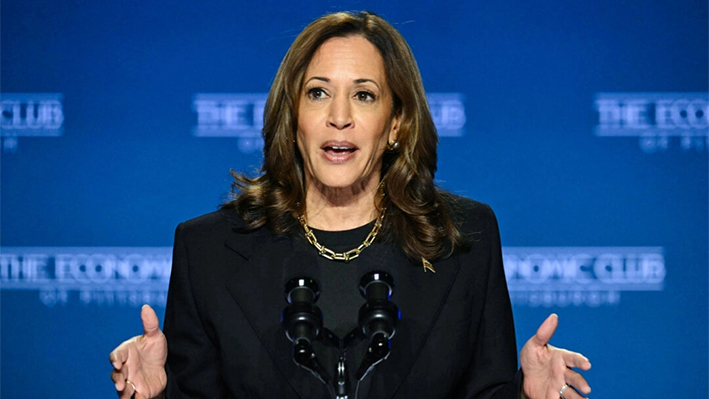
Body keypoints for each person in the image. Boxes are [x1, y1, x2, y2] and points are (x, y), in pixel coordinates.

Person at [110, 11, 591, 399]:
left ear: (397, 123)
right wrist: (159, 394)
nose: (339, 117)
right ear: (293, 116)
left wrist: (527, 398)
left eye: (364, 95)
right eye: (318, 93)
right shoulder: (209, 248)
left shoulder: (463, 239)